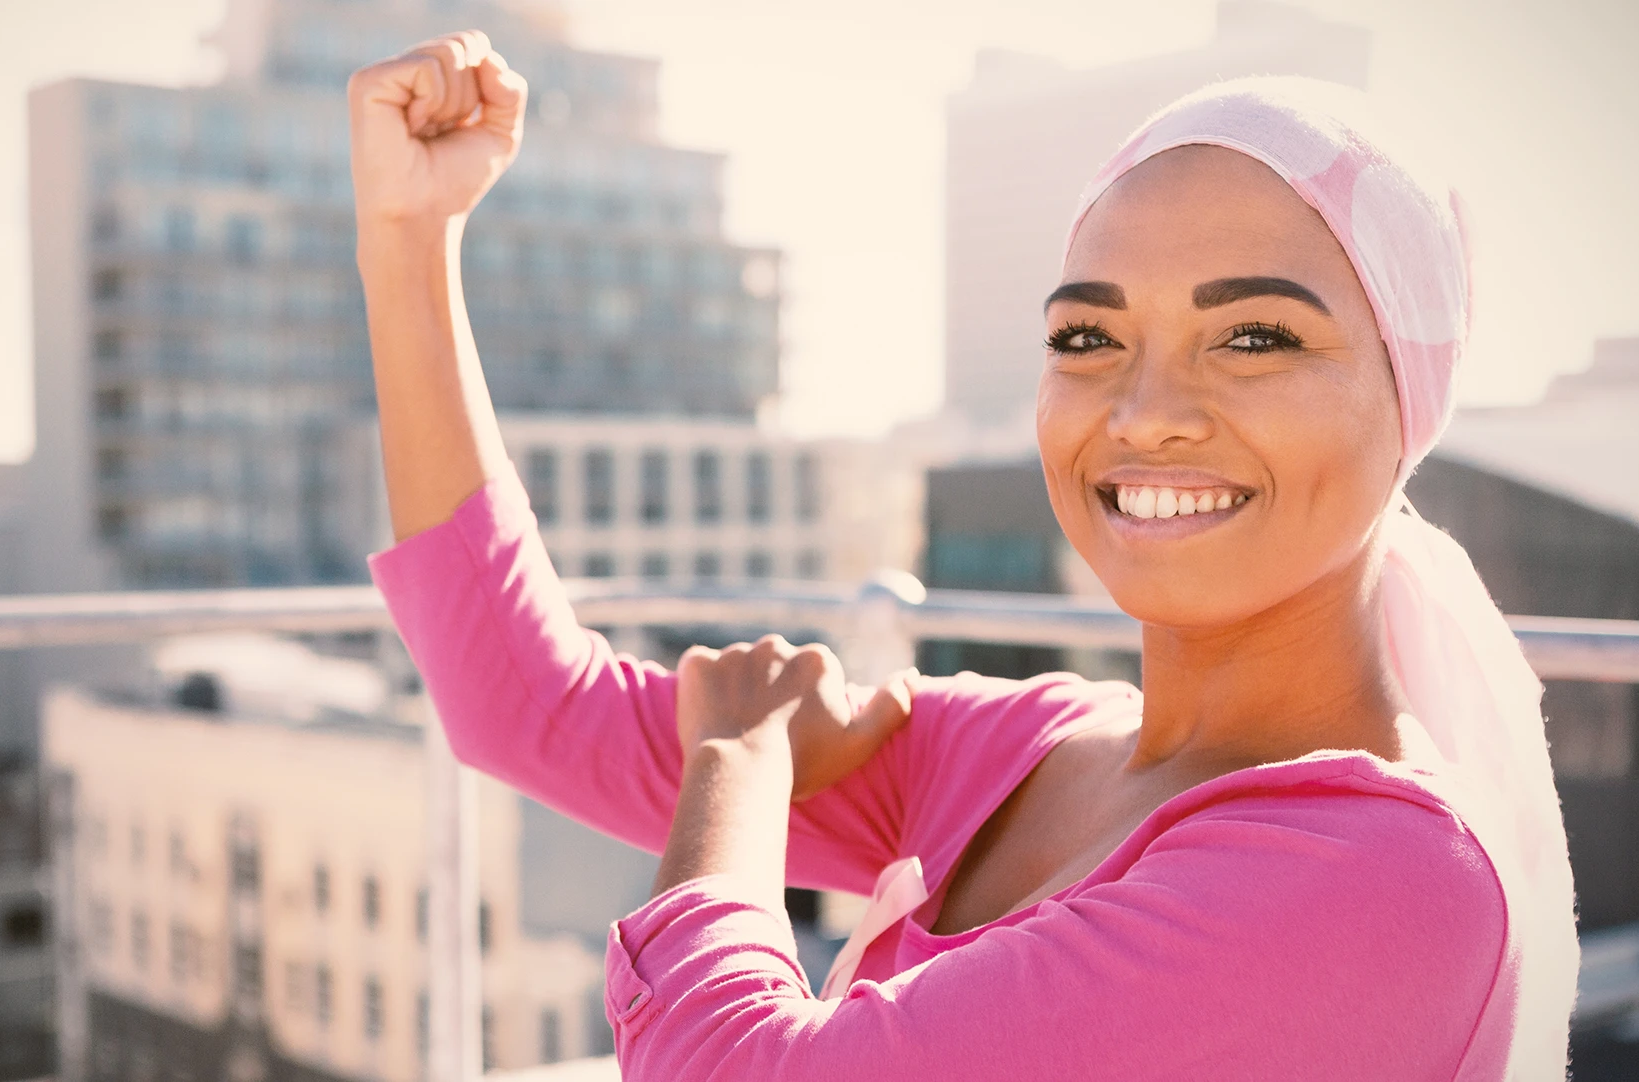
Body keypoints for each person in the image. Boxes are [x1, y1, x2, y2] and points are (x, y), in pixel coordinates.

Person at [352, 30, 1577, 1081]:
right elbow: (527, 704)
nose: (1144, 409)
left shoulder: (1384, 876)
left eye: (1253, 334)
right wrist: (409, 237)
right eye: (1087, 335)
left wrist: (736, 759)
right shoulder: (1021, 749)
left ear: (1408, 397)